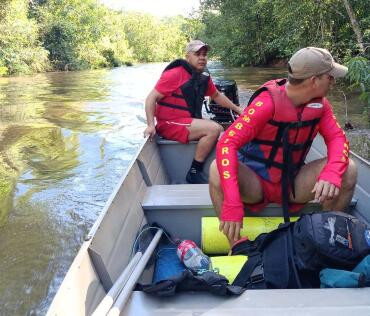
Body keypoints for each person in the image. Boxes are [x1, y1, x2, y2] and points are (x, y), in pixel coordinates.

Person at [209, 47, 358, 244]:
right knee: (215, 170)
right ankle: (236, 244)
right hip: (256, 183)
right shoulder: (266, 103)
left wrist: (332, 172)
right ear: (314, 81)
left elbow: (338, 139)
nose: (333, 81)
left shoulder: (321, 106)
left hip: (292, 183)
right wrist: (233, 202)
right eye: (329, 76)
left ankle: (327, 239)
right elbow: (226, 144)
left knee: (349, 169)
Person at [143, 40, 242, 184]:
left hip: (185, 122)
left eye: (204, 54)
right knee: (214, 129)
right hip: (169, 124)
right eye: (197, 54)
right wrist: (150, 125)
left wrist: (238, 109)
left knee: (218, 128)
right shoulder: (174, 74)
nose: (202, 57)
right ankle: (194, 171)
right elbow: (151, 98)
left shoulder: (202, 77)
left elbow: (216, 96)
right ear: (187, 56)